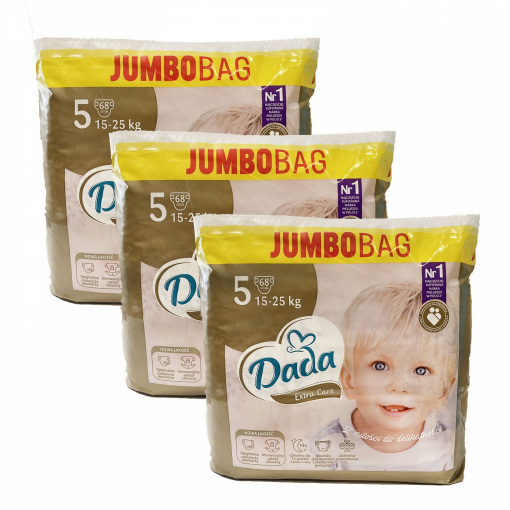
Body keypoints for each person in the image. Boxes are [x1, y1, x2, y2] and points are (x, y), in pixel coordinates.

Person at [317, 281, 457, 471]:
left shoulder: (446, 446)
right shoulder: (328, 445)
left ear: (443, 391)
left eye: (421, 370)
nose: (399, 385)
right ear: (349, 381)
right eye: (380, 366)